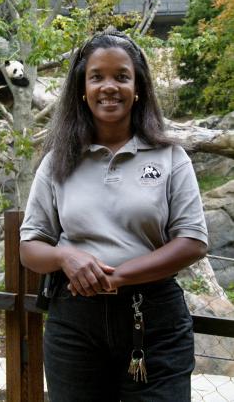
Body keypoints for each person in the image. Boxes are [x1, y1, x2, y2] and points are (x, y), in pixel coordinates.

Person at [20, 29, 208, 402]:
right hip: (74, 324)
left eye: (121, 76)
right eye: (97, 77)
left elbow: (193, 241)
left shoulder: (169, 157)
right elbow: (30, 247)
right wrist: (64, 256)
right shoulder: (57, 161)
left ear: (138, 88)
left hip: (155, 322)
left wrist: (117, 277)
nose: (109, 87)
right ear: (82, 89)